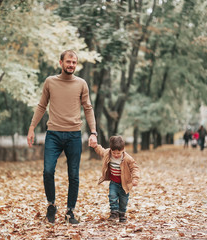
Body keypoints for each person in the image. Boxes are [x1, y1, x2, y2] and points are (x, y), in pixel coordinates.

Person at [27, 50, 97, 224]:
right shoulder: (50, 82)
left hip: (74, 135)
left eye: (74, 62)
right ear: (61, 63)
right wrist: (31, 128)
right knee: (48, 171)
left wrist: (93, 132)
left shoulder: (81, 84)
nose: (71, 65)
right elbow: (42, 106)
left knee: (73, 175)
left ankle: (70, 212)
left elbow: (88, 108)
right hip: (53, 135)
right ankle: (51, 205)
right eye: (68, 62)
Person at [89, 136, 140, 223]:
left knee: (123, 201)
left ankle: (122, 215)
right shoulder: (107, 154)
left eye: (118, 153)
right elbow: (101, 150)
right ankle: (114, 213)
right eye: (114, 153)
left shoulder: (128, 158)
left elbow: (135, 168)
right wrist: (95, 146)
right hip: (114, 183)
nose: (116, 155)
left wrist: (135, 179)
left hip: (125, 184)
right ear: (111, 150)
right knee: (112, 196)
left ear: (123, 149)